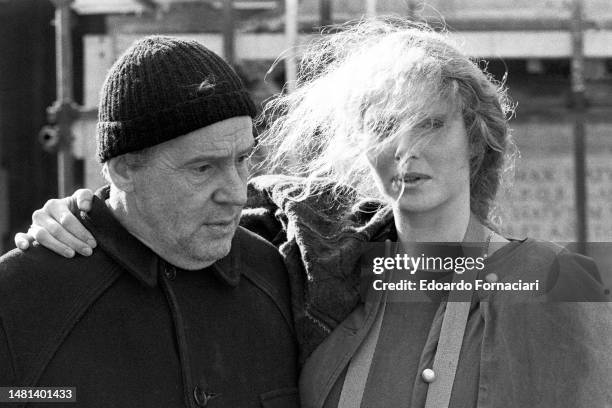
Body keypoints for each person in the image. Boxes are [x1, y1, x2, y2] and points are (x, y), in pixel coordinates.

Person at [14, 19, 612, 407]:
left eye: (430, 124)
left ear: (475, 137)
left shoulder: (554, 282)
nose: (406, 150)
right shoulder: (323, 271)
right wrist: (85, 217)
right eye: (383, 127)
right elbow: (173, 211)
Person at [0, 36, 299, 407]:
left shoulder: (283, 279)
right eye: (203, 168)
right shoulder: (21, 298)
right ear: (124, 169)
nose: (238, 193)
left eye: (242, 159)